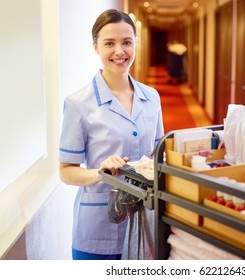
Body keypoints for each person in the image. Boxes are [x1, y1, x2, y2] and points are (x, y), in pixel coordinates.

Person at [58, 9, 164, 260]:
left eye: (127, 42)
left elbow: (157, 154)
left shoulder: (152, 98)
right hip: (98, 231)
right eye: (109, 43)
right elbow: (66, 171)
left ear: (135, 44)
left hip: (146, 222)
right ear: (95, 47)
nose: (120, 51)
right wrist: (99, 172)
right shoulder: (78, 104)